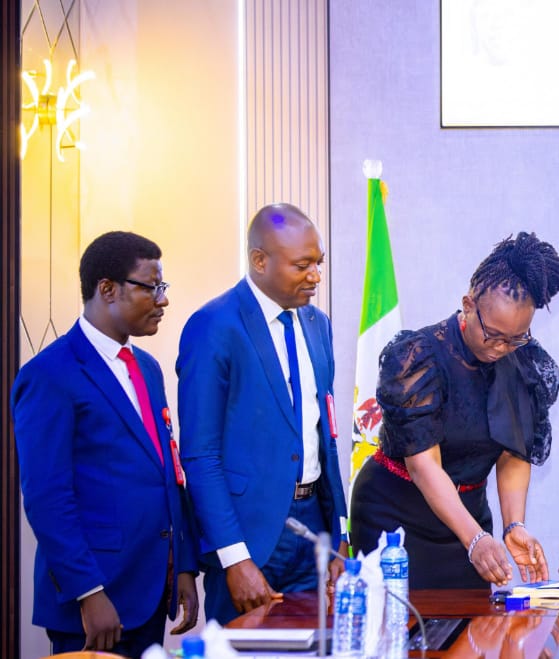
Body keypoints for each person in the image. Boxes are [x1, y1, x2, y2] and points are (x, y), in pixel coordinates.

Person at [13, 231, 198, 656]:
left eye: (163, 287)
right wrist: (88, 592)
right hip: (96, 601)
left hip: (150, 589)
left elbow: (167, 471)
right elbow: (46, 496)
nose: (164, 300)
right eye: (152, 287)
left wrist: (184, 565)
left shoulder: (147, 368)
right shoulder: (50, 374)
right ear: (108, 289)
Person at [350, 232, 559, 588]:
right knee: (398, 618)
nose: (501, 348)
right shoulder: (418, 357)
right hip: (395, 519)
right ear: (468, 304)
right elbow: (423, 466)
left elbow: (514, 452)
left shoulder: (523, 363)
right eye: (492, 334)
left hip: (469, 518)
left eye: (515, 338)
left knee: (472, 621)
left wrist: (513, 525)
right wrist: (474, 539)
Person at [178, 204, 347, 624]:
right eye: (302, 266)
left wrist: (339, 533)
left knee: (315, 646)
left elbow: (324, 435)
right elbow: (200, 454)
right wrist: (234, 557)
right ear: (259, 261)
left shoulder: (318, 324)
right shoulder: (214, 326)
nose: (316, 276)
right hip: (248, 536)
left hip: (313, 530)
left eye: (319, 263)